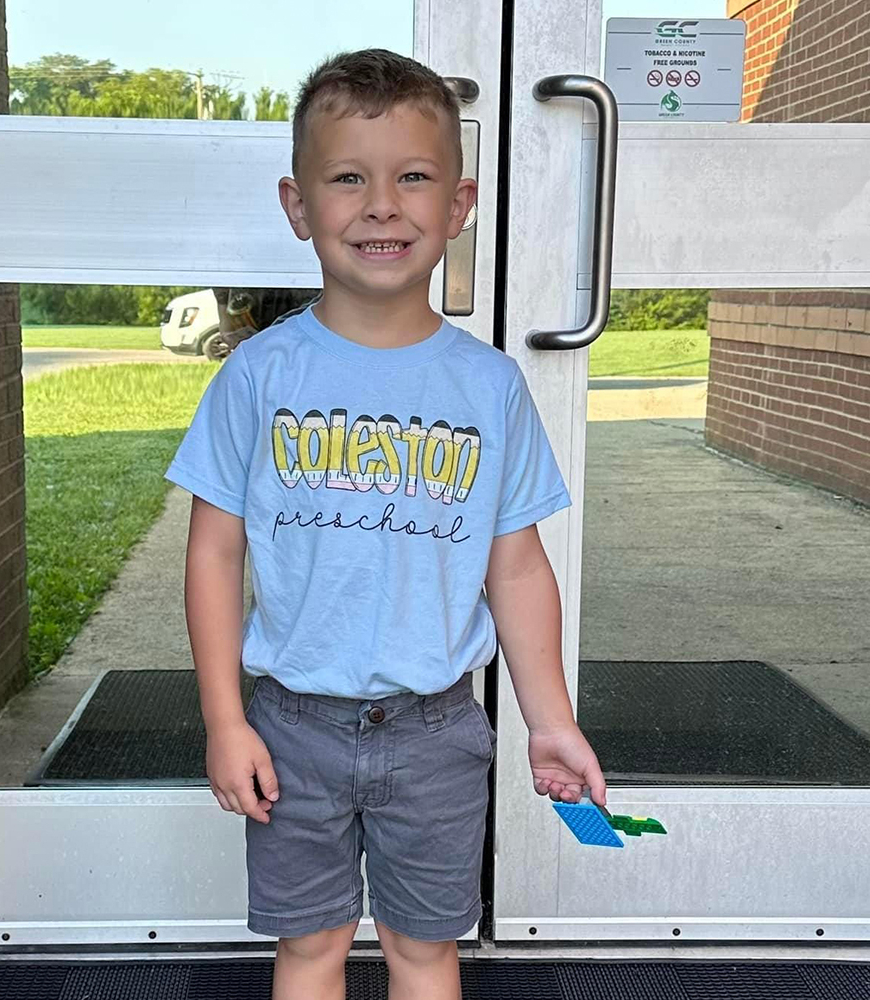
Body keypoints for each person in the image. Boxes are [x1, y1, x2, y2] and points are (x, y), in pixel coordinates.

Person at [164, 47, 607, 1000]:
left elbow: (517, 568)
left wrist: (551, 721)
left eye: (412, 177)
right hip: (292, 728)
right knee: (309, 948)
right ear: (298, 206)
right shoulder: (258, 376)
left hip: (437, 732)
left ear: (459, 205)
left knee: (424, 950)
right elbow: (214, 552)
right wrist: (225, 720)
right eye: (347, 179)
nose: (380, 206)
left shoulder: (489, 386)